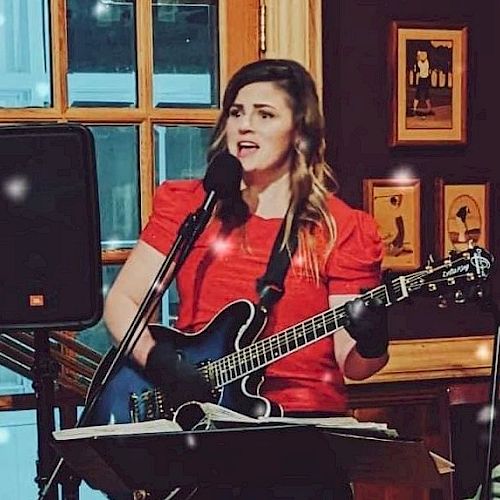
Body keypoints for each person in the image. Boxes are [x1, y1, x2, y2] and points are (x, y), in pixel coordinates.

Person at [104, 58, 389, 499]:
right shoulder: (191, 207)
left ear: (300, 131)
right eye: (236, 112)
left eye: (265, 114)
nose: (244, 126)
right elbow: (122, 302)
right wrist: (163, 364)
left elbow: (354, 364)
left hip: (301, 441)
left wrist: (373, 341)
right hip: (202, 424)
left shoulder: (339, 226)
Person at [411, 50, 433, 116]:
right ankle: (429, 108)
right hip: (426, 79)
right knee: (426, 94)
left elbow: (418, 58)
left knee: (418, 94)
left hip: (421, 79)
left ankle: (414, 109)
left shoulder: (419, 63)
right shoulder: (427, 63)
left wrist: (418, 54)